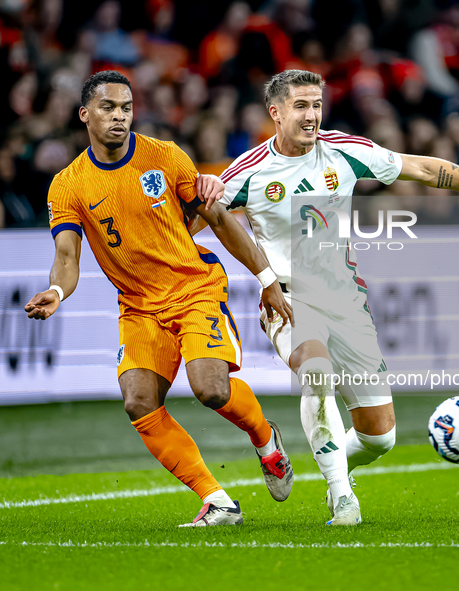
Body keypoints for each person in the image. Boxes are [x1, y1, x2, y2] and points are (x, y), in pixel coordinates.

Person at [208, 69, 459, 526]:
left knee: (380, 438)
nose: (312, 114)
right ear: (274, 113)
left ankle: (336, 467)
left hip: (345, 301)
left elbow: (424, 168)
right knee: (316, 372)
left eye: (316, 104)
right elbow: (205, 219)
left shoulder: (345, 151)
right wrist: (261, 277)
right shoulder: (249, 171)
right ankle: (342, 500)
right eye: (301, 106)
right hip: (290, 299)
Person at [24, 70, 295, 527]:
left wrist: (266, 278)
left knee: (210, 389)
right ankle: (218, 500)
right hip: (138, 305)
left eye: (126, 108)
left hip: (194, 288)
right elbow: (67, 256)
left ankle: (266, 440)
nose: (119, 116)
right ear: (84, 114)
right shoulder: (67, 185)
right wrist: (55, 290)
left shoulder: (165, 157)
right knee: (138, 401)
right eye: (108, 107)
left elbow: (220, 218)